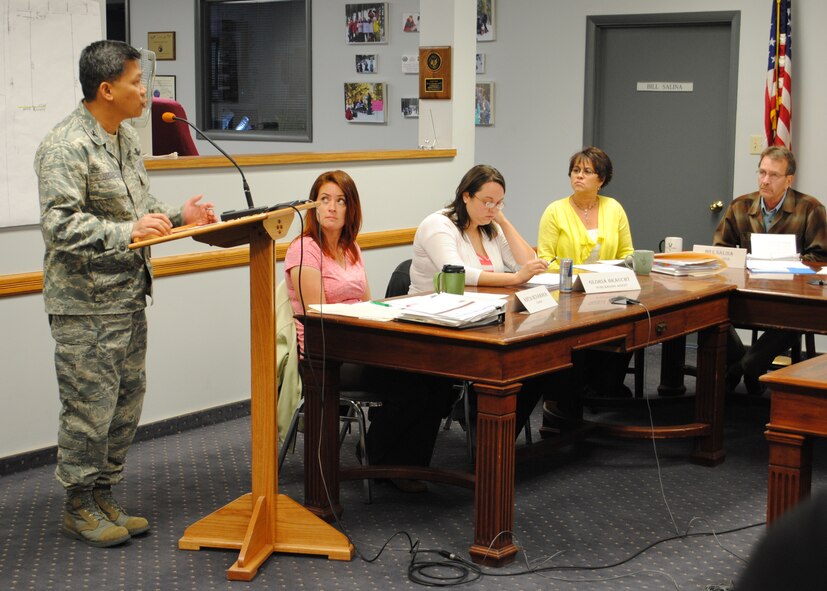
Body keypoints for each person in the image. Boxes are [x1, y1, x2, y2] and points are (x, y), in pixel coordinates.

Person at [35, 40, 217, 548]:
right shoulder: (65, 146)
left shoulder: (125, 139)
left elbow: (141, 207)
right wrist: (127, 234)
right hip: (84, 305)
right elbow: (58, 225)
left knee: (124, 404)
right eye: (138, 83)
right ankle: (78, 504)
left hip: (128, 296)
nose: (147, 93)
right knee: (87, 410)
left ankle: (104, 494)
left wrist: (180, 217)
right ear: (106, 89)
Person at [284, 170, 454, 494]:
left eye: (340, 201)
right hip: (325, 355)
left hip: (360, 347)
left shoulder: (351, 248)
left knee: (438, 376)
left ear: (351, 208)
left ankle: (407, 462)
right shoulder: (304, 249)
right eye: (324, 200)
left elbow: (366, 302)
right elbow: (318, 316)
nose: (332, 207)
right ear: (313, 206)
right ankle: (380, 458)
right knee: (413, 384)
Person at [409, 164, 550, 429]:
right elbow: (458, 273)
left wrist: (504, 222)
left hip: (484, 320)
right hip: (439, 324)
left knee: (535, 363)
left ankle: (485, 423)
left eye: (499, 203)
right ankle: (479, 418)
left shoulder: (491, 227)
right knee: (514, 364)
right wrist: (515, 279)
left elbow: (528, 261)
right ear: (465, 195)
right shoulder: (438, 224)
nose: (492, 209)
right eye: (486, 202)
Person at [714, 146, 827, 395]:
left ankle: (748, 366)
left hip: (790, 293)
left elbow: (821, 256)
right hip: (747, 290)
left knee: (798, 315)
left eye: (774, 175)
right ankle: (740, 361)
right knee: (710, 309)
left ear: (789, 179)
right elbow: (721, 250)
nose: (765, 180)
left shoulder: (811, 209)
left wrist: (788, 262)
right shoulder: (739, 206)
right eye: (762, 172)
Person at [536, 147, 635, 431]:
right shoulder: (555, 211)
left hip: (608, 292)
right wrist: (582, 276)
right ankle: (568, 399)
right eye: (575, 171)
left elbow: (627, 253)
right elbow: (547, 259)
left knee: (631, 324)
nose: (579, 176)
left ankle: (604, 385)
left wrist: (610, 273)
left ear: (601, 179)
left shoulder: (614, 208)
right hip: (567, 296)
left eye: (587, 171)